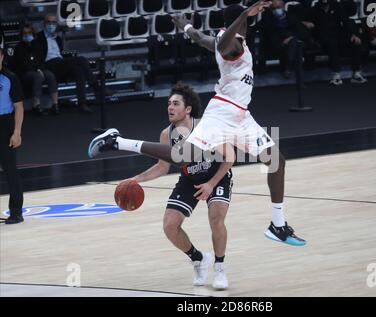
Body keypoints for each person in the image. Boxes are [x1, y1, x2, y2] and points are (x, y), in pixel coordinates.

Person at [88, 1, 305, 247]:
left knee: (276, 160)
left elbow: (202, 39)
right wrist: (245, 12)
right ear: (242, 19)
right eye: (248, 15)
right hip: (222, 113)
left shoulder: (230, 39)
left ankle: (277, 225)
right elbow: (223, 46)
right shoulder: (230, 41)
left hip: (241, 117)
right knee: (182, 157)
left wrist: (187, 27)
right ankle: (116, 140)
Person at [125, 83, 233, 289]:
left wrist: (211, 183)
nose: (170, 107)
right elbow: (162, 167)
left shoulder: (206, 127)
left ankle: (219, 268)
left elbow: (230, 157)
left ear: (188, 109)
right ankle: (199, 259)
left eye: (175, 103)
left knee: (216, 218)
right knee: (169, 225)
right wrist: (135, 180)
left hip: (217, 176)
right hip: (189, 179)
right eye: (168, 103)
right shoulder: (167, 134)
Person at [34, 14, 101, 113]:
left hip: (60, 64)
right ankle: (96, 88)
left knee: (78, 71)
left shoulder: (58, 39)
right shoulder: (38, 37)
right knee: (81, 60)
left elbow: (60, 54)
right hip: (48, 65)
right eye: (49, 22)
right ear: (44, 24)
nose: (51, 25)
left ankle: (82, 104)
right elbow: (36, 55)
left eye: (53, 23)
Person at [306, 0, 367, 85]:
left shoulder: (336, 6)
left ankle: (356, 73)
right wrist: (305, 23)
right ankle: (336, 74)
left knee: (354, 41)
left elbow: (345, 21)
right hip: (322, 38)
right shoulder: (314, 9)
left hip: (337, 34)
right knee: (332, 43)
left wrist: (353, 35)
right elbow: (303, 21)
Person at [0, 46, 25, 225]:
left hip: (5, 124)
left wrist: (16, 132)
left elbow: (19, 106)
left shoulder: (10, 77)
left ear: (1, 56)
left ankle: (16, 212)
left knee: (10, 170)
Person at [259, 0, 314, 78]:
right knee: (293, 44)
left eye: (278, 7)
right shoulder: (268, 18)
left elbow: (302, 32)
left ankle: (288, 69)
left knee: (293, 43)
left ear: (283, 7)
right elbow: (269, 34)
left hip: (292, 42)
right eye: (273, 8)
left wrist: (291, 37)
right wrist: (283, 42)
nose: (276, 10)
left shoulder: (291, 17)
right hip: (277, 44)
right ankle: (289, 69)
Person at [13, 23, 59, 116]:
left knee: (50, 75)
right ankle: (36, 105)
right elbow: (23, 64)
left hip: (38, 69)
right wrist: (37, 69)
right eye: (25, 33)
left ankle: (55, 104)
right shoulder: (19, 47)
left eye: (29, 33)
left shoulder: (37, 45)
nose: (27, 35)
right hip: (25, 73)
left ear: (33, 34)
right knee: (37, 76)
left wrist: (39, 68)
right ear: (22, 35)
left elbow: (41, 60)